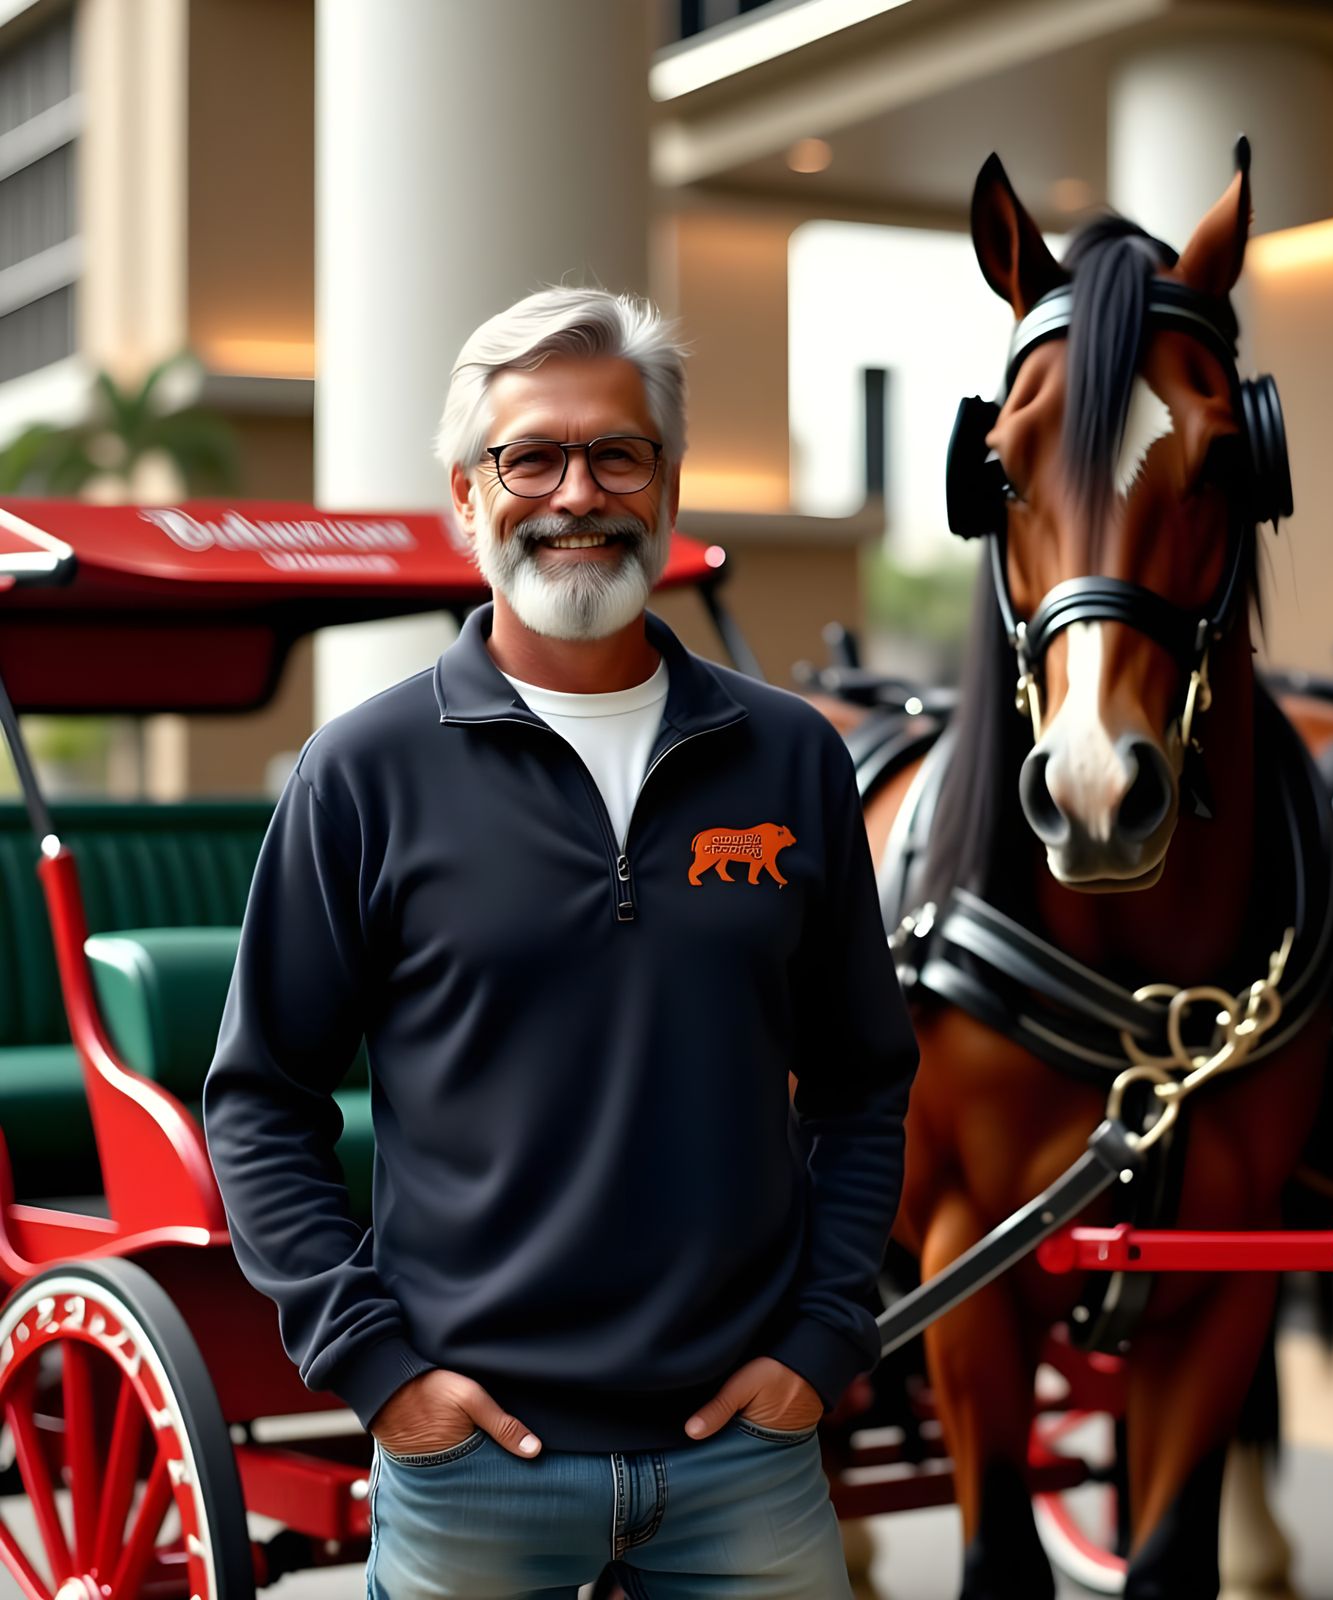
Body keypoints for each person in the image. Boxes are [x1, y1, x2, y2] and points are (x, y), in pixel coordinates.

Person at [202, 285, 919, 1599]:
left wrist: (823, 1342)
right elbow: (260, 1098)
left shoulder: (792, 759)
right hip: (472, 1469)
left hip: (745, 1467)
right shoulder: (361, 774)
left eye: (616, 452)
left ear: (667, 486)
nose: (575, 491)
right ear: (469, 499)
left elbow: (868, 1081)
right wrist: (380, 1370)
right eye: (529, 455)